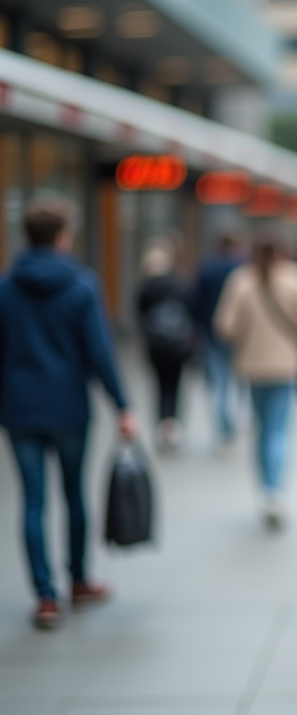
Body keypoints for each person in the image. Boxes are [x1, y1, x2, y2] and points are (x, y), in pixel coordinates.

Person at [0, 196, 136, 630]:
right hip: (68, 407)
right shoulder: (81, 285)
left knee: (32, 499)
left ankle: (44, 596)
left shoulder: (6, 286)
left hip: (18, 408)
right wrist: (122, 403)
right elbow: (98, 351)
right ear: (63, 237)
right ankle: (78, 580)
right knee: (73, 494)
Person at [214, 232, 297, 530]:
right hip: (287, 365)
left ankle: (265, 489)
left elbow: (225, 326)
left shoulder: (241, 280)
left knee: (261, 428)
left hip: (252, 365)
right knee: (280, 429)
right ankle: (275, 490)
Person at [137, 240, 194, 451]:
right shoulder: (178, 284)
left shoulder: (145, 289)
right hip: (177, 343)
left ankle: (162, 422)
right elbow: (189, 310)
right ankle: (172, 425)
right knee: (175, 385)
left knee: (159, 387)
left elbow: (140, 317)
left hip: (155, 345)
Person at [193, 232, 242, 449]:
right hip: (238, 336)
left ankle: (223, 428)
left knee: (219, 383)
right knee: (238, 382)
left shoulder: (207, 268)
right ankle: (233, 422)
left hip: (212, 334)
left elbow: (195, 301)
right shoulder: (241, 269)